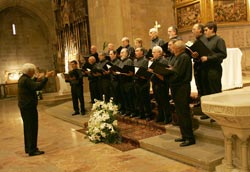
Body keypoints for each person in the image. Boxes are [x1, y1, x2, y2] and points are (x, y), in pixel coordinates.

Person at [18, 63, 54, 156]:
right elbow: (37, 87)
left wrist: (36, 78)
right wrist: (46, 77)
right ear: (29, 71)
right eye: (33, 71)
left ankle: (28, 148)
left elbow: (31, 84)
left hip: (25, 106)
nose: (34, 73)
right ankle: (32, 150)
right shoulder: (26, 80)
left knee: (28, 128)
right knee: (32, 128)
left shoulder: (23, 78)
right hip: (29, 107)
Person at [168, 40, 195, 147]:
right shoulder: (178, 57)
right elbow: (174, 69)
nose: (171, 49)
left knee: (184, 113)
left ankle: (189, 138)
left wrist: (168, 73)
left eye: (173, 47)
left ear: (178, 48)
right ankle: (184, 135)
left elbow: (177, 73)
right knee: (179, 112)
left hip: (182, 87)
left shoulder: (184, 57)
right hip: (177, 87)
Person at [199, 21, 227, 120]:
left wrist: (208, 58)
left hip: (214, 69)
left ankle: (217, 114)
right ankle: (209, 113)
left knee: (214, 91)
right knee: (206, 91)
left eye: (206, 30)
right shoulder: (205, 40)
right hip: (204, 69)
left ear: (212, 29)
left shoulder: (219, 40)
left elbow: (223, 54)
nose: (204, 32)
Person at [148, 46, 171, 124]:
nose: (152, 54)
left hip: (162, 84)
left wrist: (153, 71)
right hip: (155, 83)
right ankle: (160, 116)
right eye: (152, 52)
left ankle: (167, 117)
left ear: (160, 53)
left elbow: (163, 73)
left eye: (154, 52)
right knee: (158, 101)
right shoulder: (155, 61)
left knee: (164, 101)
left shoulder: (164, 61)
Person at [190, 23, 206, 107]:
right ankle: (200, 101)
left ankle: (204, 104)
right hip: (197, 65)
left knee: (204, 86)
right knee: (199, 85)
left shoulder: (204, 40)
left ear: (200, 30)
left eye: (194, 29)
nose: (192, 31)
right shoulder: (197, 41)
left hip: (203, 67)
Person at [133, 47, 152, 120]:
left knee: (145, 99)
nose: (135, 52)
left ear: (142, 52)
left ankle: (148, 114)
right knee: (139, 99)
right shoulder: (135, 60)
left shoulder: (145, 60)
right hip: (136, 81)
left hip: (144, 82)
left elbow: (146, 72)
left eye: (137, 51)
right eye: (135, 51)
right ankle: (141, 113)